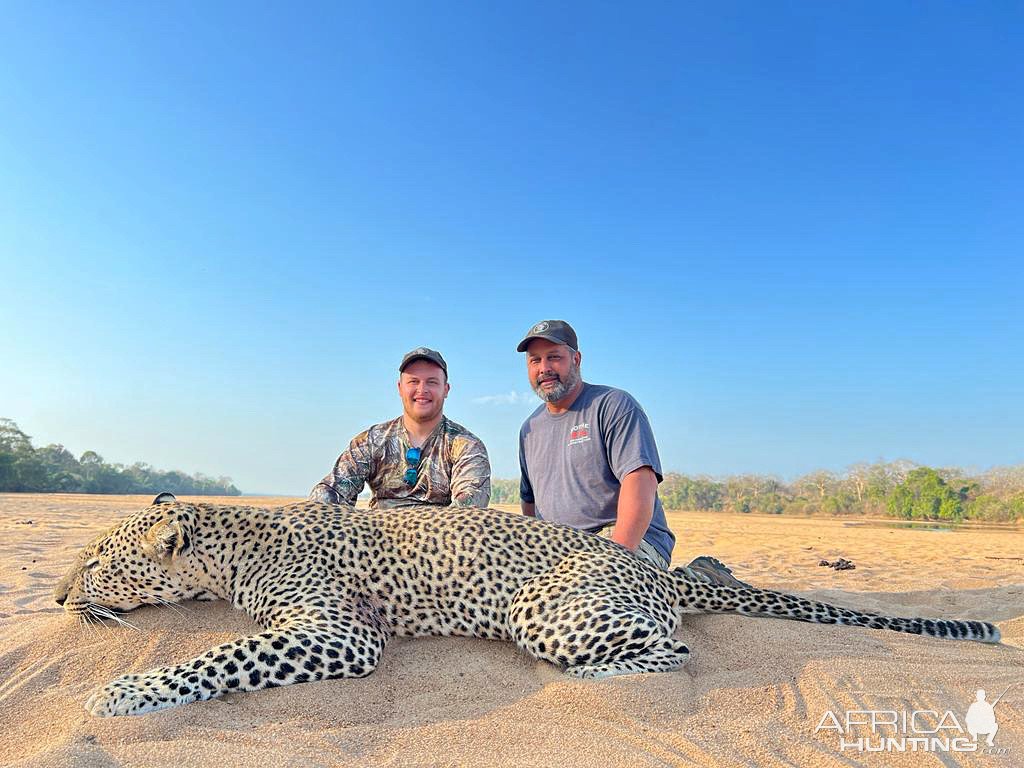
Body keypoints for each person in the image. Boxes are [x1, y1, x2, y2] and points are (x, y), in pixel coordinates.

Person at [516, 320, 750, 585]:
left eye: (554, 358)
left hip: (624, 540)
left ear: (576, 359)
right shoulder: (529, 430)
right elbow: (530, 503)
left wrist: (615, 561)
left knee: (588, 598)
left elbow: (640, 481)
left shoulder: (613, 406)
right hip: (564, 550)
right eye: (535, 361)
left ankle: (699, 579)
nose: (544, 369)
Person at [310, 347, 491, 509]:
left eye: (432, 382)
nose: (422, 389)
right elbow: (331, 492)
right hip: (378, 540)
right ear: (400, 388)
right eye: (413, 381)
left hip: (440, 541)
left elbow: (469, 509)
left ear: (446, 389)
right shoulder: (372, 440)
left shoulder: (467, 446)